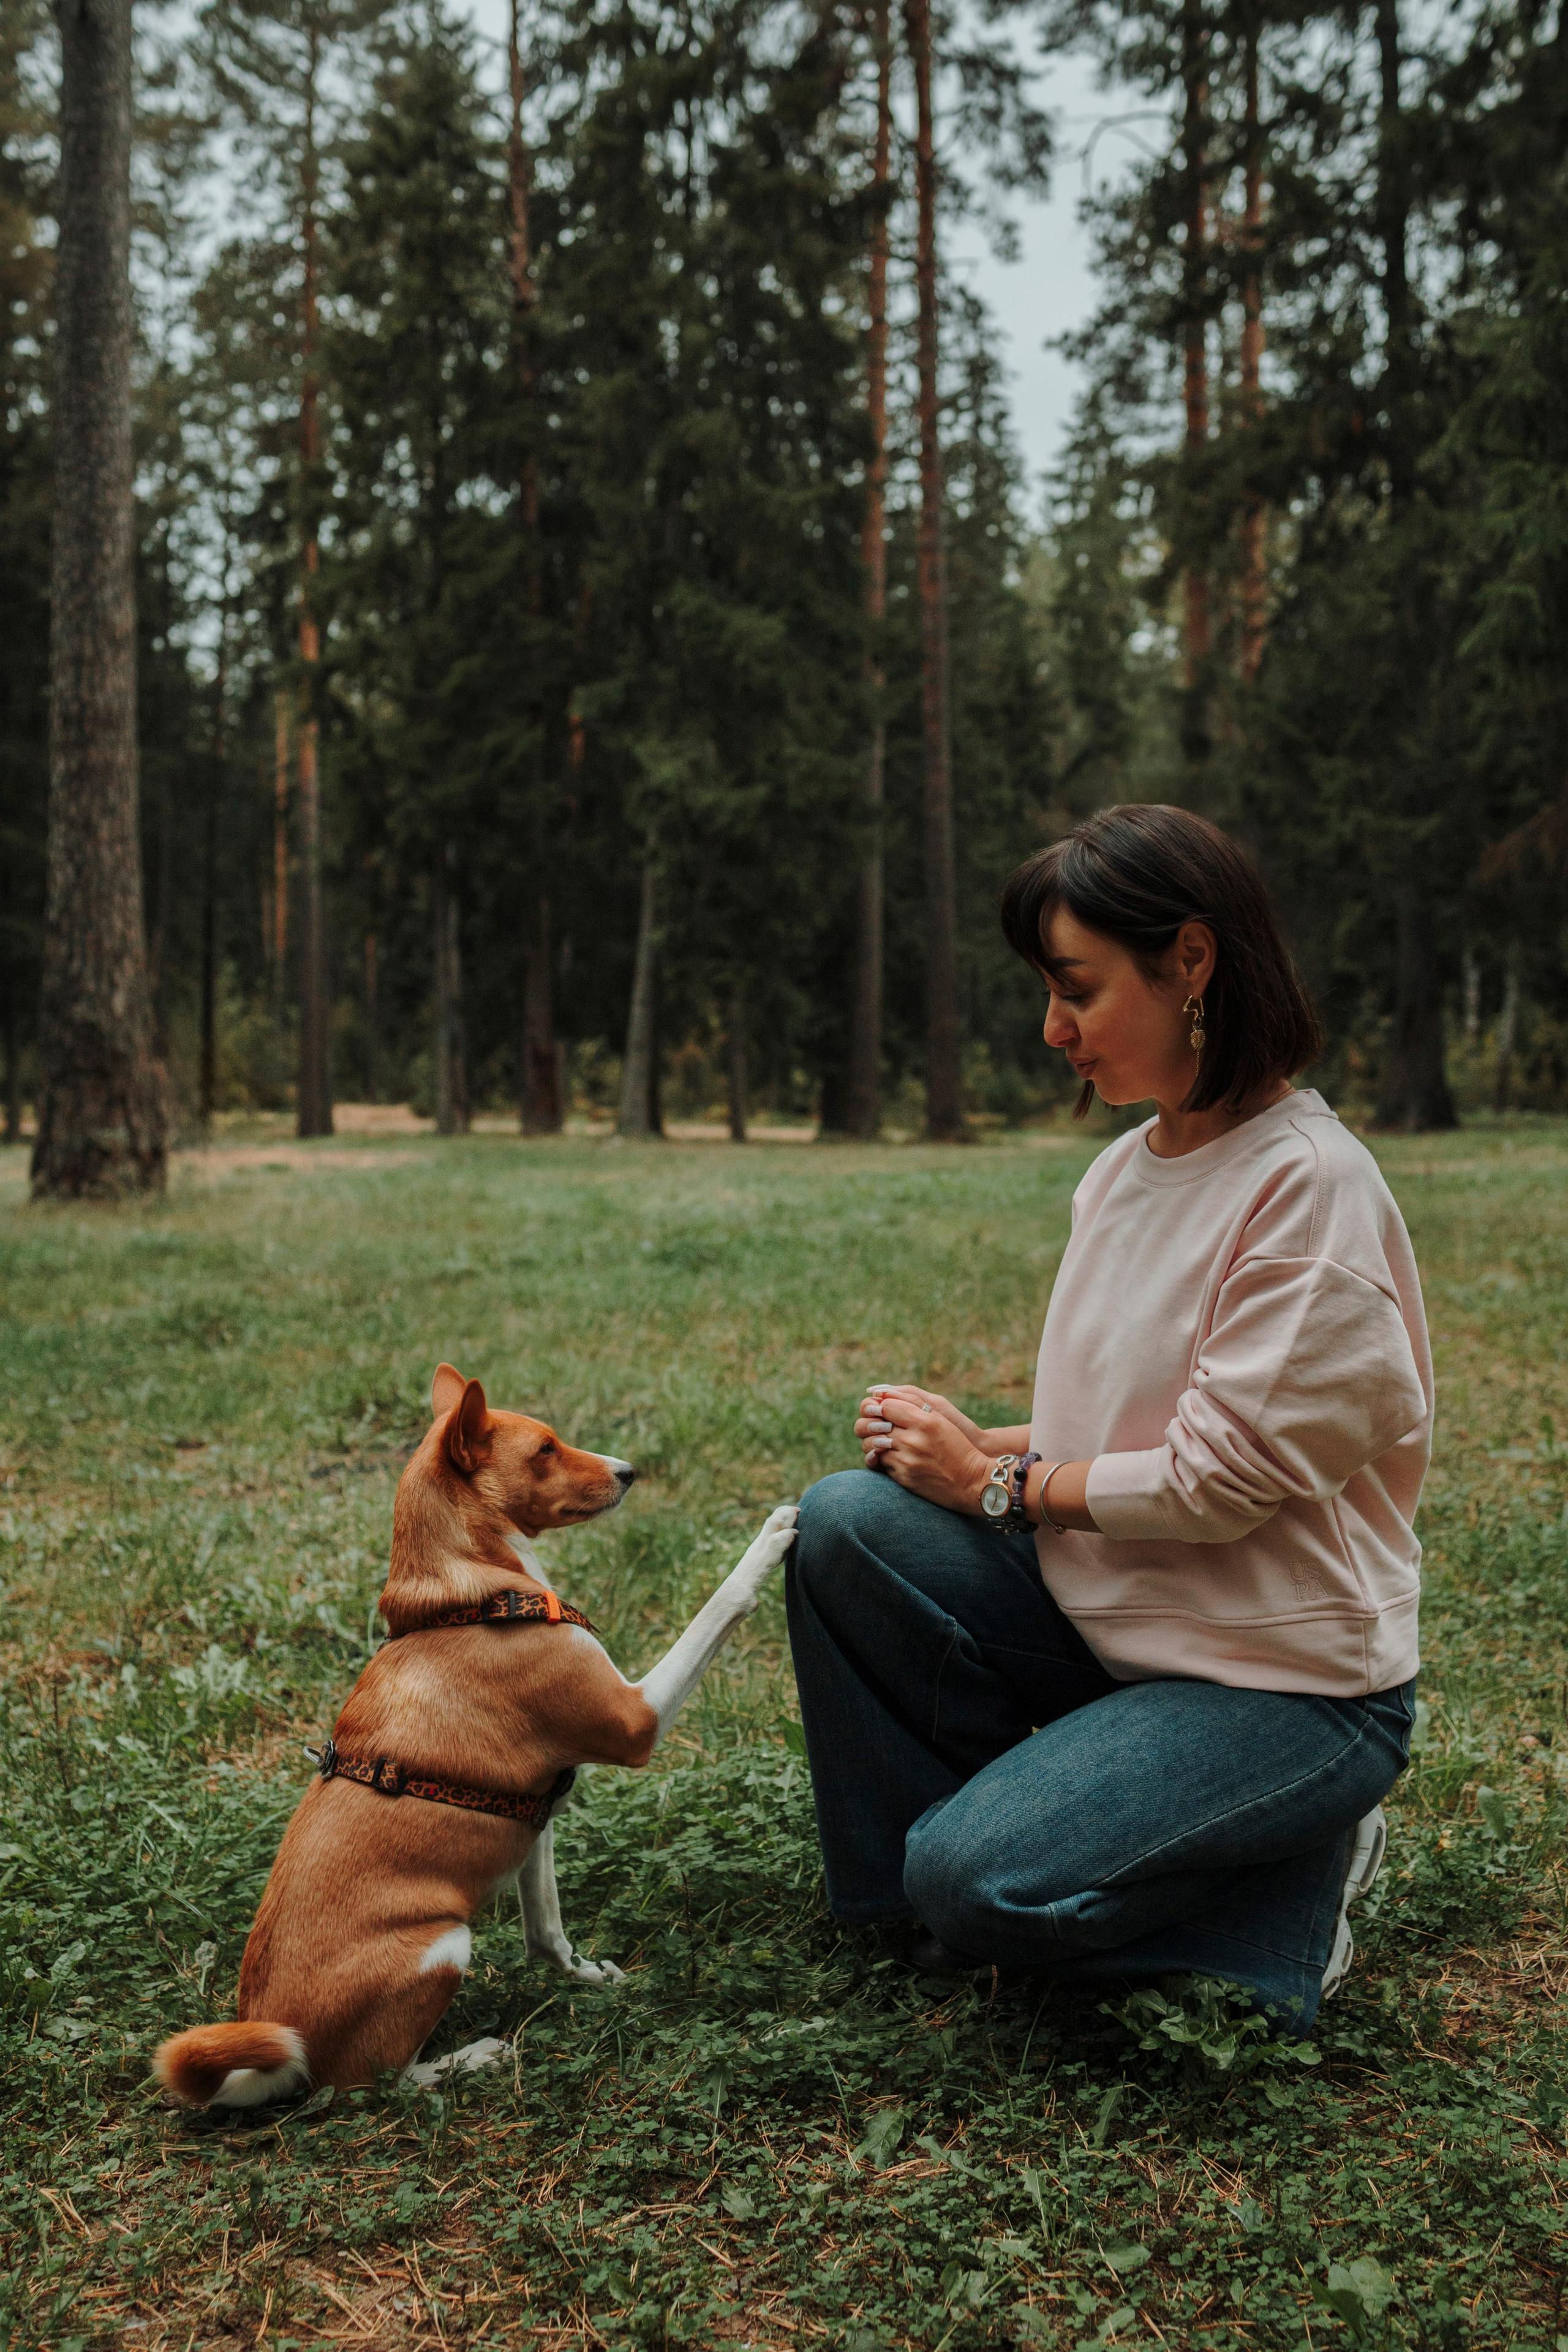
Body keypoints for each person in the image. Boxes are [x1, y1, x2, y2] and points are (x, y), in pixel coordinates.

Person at [786, 805, 1430, 2032]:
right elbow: (1126, 1421)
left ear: (1189, 962)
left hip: (1287, 1690)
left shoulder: (1310, 1188)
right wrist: (988, 1443)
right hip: (1120, 1631)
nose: (1050, 1028)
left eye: (1074, 989)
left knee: (975, 1875)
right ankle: (929, 1911)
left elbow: (1211, 1481)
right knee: (846, 1524)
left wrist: (991, 1489)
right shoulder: (1121, 1169)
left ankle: (1282, 1890)